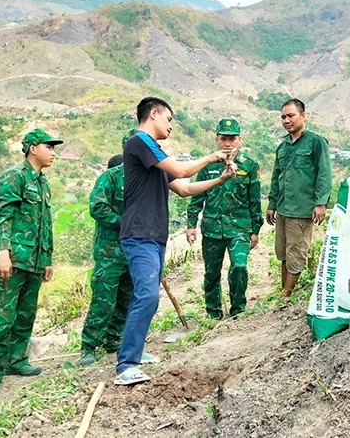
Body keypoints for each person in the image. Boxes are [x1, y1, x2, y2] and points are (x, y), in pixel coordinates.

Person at [115, 97, 236, 386]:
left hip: (154, 235)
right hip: (140, 233)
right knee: (147, 296)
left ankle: (134, 350)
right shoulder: (139, 142)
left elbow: (183, 188)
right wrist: (211, 156)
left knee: (146, 297)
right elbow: (181, 171)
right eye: (168, 119)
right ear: (153, 114)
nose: (170, 125)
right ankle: (126, 365)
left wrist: (218, 180)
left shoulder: (153, 155)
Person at [0, 129, 63, 400]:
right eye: (49, 146)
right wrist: (3, 252)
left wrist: (47, 259)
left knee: (25, 316)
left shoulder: (43, 183)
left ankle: (15, 361)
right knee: (1, 318)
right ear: (33, 148)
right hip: (11, 261)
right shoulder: (14, 177)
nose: (53, 151)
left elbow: (45, 224)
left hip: (34, 263)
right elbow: (3, 217)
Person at [186, 118, 263, 319]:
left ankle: (238, 309)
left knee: (239, 267)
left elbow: (254, 201)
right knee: (212, 273)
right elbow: (197, 198)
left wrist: (255, 230)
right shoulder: (207, 166)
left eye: (232, 138)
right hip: (212, 229)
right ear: (216, 140)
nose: (228, 143)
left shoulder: (249, 165)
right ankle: (213, 312)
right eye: (223, 139)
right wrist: (191, 225)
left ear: (239, 139)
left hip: (239, 228)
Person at [265, 99, 332, 297]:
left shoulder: (316, 142)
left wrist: (321, 203)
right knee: (283, 252)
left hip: (302, 209)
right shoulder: (283, 146)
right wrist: (271, 204)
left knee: (296, 252)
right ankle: (284, 291)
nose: (286, 120)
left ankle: (287, 294)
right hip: (284, 209)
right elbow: (276, 177)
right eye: (283, 117)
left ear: (303, 116)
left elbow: (324, 173)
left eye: (291, 115)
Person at [79, 149, 131, 367]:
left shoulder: (146, 176)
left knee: (126, 298)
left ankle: (113, 338)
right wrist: (124, 222)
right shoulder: (109, 178)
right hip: (110, 251)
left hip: (135, 250)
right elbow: (97, 207)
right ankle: (89, 346)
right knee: (104, 300)